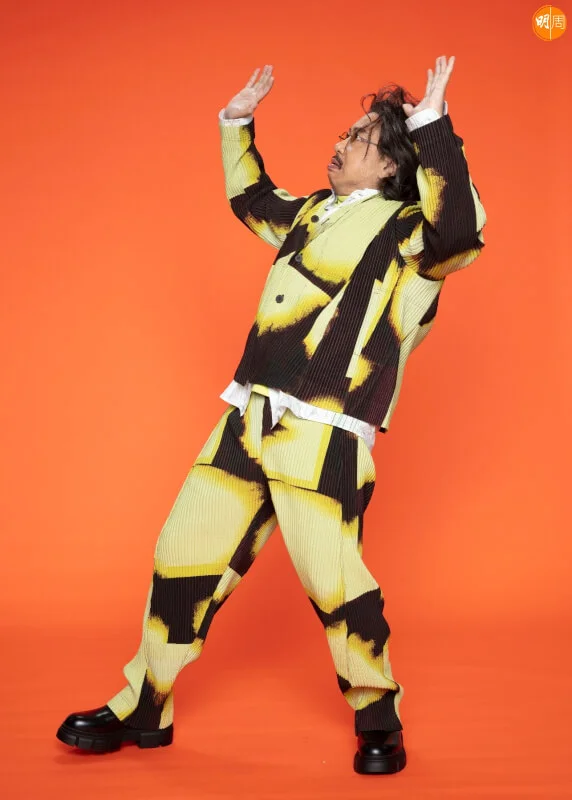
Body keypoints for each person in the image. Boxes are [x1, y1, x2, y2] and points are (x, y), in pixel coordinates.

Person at [56, 56, 486, 775]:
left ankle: (378, 715)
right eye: (345, 131)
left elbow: (460, 234)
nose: (340, 142)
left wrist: (432, 126)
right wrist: (237, 122)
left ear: (392, 164)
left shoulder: (411, 233)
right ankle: (144, 705)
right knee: (181, 554)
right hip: (248, 414)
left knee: (333, 582)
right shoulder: (314, 210)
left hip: (323, 434)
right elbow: (252, 197)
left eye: (360, 137)